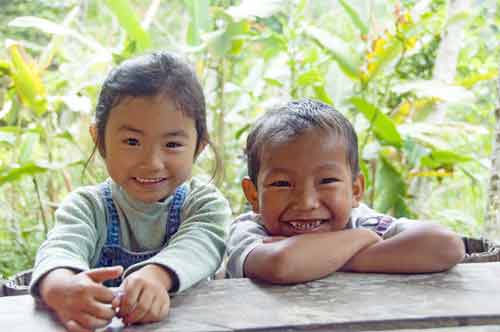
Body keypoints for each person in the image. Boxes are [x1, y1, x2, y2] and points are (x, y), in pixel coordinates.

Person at [29, 52, 231, 331]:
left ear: (199, 146)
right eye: (132, 141)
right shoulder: (87, 207)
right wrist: (62, 287)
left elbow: (199, 246)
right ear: (99, 140)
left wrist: (157, 277)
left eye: (172, 144)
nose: (151, 163)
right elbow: (59, 250)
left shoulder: (204, 205)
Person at [226, 98, 465, 283]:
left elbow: (446, 246)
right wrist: (361, 240)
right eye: (282, 184)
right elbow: (280, 265)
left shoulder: (362, 221)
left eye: (327, 181)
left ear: (355, 190)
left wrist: (327, 259)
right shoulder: (249, 231)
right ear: (254, 195)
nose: (306, 202)